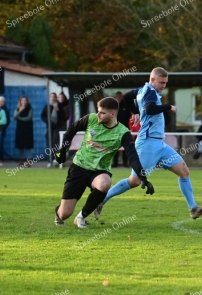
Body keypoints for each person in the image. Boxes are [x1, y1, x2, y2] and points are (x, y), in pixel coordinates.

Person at [98, 67, 202, 220]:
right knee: (134, 181)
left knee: (183, 172)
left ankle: (193, 208)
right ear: (152, 80)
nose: (163, 86)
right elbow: (150, 109)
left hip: (159, 144)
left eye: (165, 83)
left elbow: (126, 96)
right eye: (161, 82)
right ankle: (100, 200)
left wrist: (135, 112)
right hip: (147, 144)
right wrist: (168, 107)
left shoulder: (143, 90)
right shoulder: (150, 92)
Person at [52, 97, 153, 228]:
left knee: (104, 184)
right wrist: (63, 150)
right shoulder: (91, 119)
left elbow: (132, 157)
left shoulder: (123, 132)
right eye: (98, 111)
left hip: (100, 171)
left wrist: (142, 176)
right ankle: (59, 211)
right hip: (79, 167)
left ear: (113, 114)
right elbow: (72, 129)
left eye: (102, 112)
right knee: (64, 214)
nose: (98, 114)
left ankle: (81, 216)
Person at [41, 93, 64, 164]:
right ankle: (50, 160)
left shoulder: (59, 105)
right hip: (50, 127)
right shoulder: (47, 106)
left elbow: (63, 116)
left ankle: (57, 159)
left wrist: (57, 110)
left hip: (57, 127)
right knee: (49, 143)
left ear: (56, 98)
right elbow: (42, 116)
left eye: (54, 97)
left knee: (56, 143)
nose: (53, 98)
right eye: (51, 97)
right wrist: (47, 121)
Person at [14, 95, 34, 166]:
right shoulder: (17, 108)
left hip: (28, 129)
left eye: (25, 100)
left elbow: (29, 118)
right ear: (20, 101)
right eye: (22, 100)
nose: (24, 102)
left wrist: (20, 119)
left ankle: (28, 161)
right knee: (20, 145)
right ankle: (21, 160)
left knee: (28, 146)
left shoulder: (30, 108)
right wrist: (20, 111)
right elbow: (15, 117)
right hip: (20, 129)